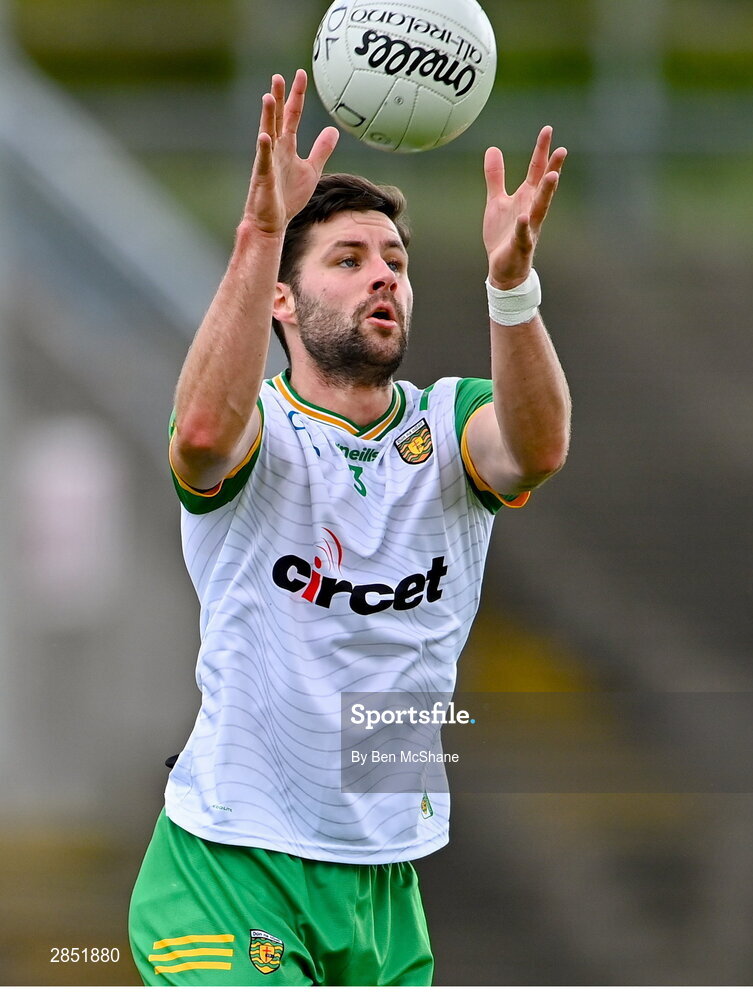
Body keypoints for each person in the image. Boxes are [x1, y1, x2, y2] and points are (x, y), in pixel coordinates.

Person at [129, 68, 570, 986]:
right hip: (229, 866)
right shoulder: (256, 427)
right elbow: (203, 437)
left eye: (395, 263)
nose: (383, 276)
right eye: (347, 259)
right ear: (282, 302)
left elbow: (535, 448)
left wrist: (513, 285)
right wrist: (260, 233)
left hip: (382, 878)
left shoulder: (447, 425)